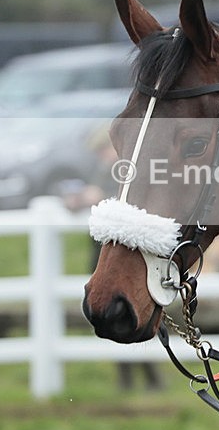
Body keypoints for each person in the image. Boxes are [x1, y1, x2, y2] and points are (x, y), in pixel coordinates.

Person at [62, 124, 163, 391]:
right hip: (107, 257)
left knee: (131, 314)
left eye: (104, 150)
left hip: (125, 259)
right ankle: (132, 380)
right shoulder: (110, 170)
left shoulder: (126, 173)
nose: (102, 155)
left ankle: (146, 379)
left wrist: (89, 198)